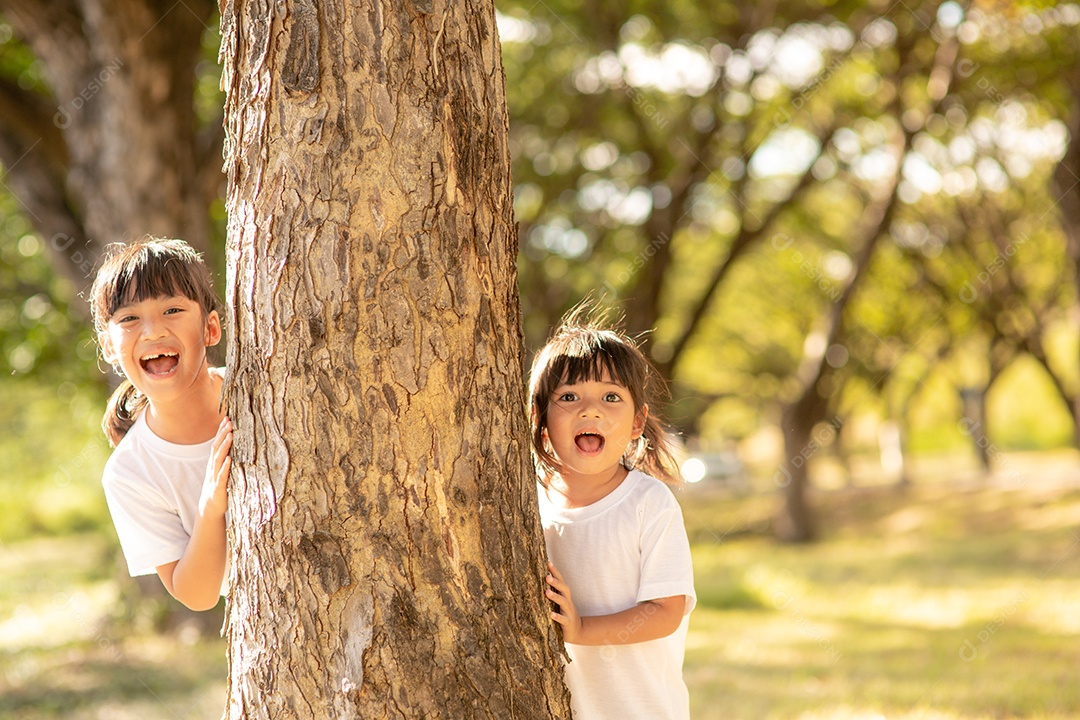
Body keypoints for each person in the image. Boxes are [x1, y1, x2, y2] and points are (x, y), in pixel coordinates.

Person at [528, 305, 696, 719]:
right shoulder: (529, 504)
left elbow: (666, 611)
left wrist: (582, 629)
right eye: (568, 397)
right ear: (541, 419)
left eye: (611, 396)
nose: (591, 410)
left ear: (637, 421)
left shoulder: (648, 503)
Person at [90, 237, 233, 611]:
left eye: (172, 310)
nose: (152, 332)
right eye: (130, 318)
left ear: (211, 329)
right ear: (108, 346)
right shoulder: (130, 473)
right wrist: (209, 507)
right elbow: (197, 594)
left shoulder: (265, 395)